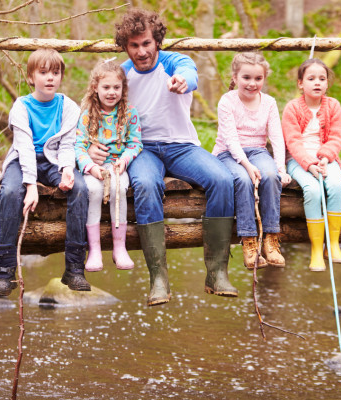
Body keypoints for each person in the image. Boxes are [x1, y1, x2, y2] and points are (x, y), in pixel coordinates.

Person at [89, 8, 237, 306]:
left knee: (222, 178)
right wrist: (91, 144)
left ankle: (217, 272)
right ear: (125, 47)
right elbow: (96, 108)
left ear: (156, 41)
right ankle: (158, 277)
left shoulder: (175, 62)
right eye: (134, 45)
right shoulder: (123, 74)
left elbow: (190, 74)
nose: (141, 51)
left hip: (182, 146)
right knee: (144, 184)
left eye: (146, 43)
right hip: (142, 148)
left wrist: (182, 82)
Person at [0, 48, 90, 296]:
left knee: (80, 188)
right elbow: (23, 147)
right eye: (43, 72)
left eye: (55, 73)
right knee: (11, 191)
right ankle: (5, 272)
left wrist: (67, 170)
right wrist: (30, 185)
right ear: (31, 77)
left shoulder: (68, 107)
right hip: (23, 161)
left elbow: (67, 145)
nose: (50, 78)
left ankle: (74, 268)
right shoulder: (21, 106)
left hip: (54, 160)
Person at [213, 52, 291, 270]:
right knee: (243, 180)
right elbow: (230, 139)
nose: (252, 83)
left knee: (270, 176)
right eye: (246, 77)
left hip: (257, 151)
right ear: (235, 77)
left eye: (258, 78)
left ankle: (270, 238)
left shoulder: (269, 103)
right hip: (228, 153)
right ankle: (249, 241)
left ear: (264, 79)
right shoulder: (227, 101)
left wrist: (280, 168)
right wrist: (246, 166)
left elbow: (276, 137)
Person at [75, 60, 143, 272]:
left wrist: (124, 160)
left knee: (119, 189)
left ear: (123, 89)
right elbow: (79, 146)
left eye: (116, 87)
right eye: (106, 87)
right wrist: (92, 168)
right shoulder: (87, 113)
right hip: (94, 167)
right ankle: (94, 249)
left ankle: (119, 246)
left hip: (116, 166)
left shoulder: (129, 113)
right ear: (95, 87)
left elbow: (135, 143)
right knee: (93, 190)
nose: (111, 92)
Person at [282, 58, 341, 272]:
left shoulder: (333, 106)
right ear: (301, 83)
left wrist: (325, 157)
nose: (317, 83)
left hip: (326, 160)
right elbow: (292, 141)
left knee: (337, 186)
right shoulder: (292, 108)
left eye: (322, 78)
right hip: (298, 161)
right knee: (313, 190)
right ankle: (317, 250)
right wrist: (309, 164)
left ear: (327, 83)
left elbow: (336, 137)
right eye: (311, 78)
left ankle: (333, 245)